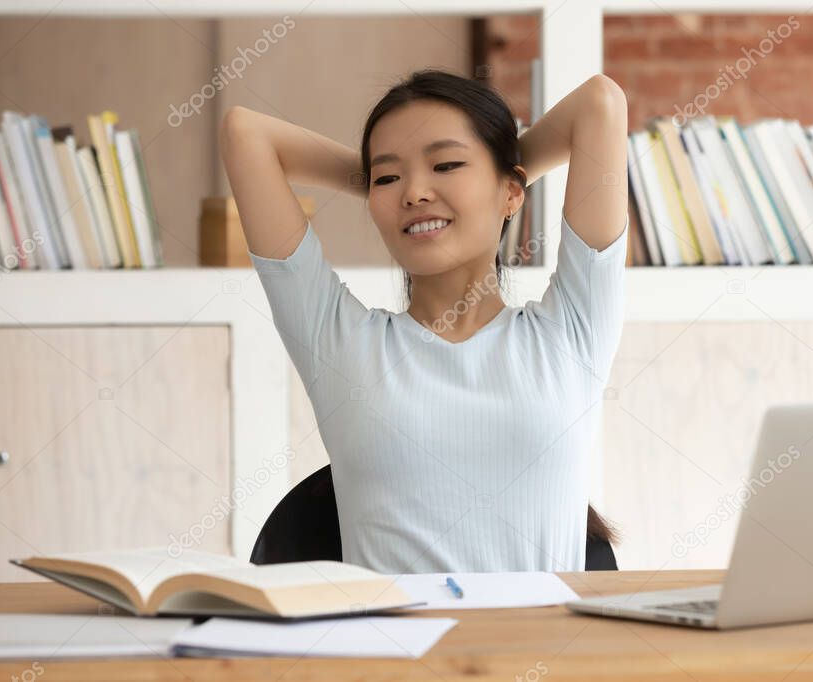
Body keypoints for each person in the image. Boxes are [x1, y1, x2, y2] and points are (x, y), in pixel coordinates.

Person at [220, 69, 628, 574]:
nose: (413, 192)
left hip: (543, 648)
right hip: (395, 650)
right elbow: (245, 134)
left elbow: (600, 104)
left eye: (448, 164)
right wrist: (430, 181)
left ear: (512, 193)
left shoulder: (571, 331)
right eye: (387, 178)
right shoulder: (340, 344)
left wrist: (503, 171)